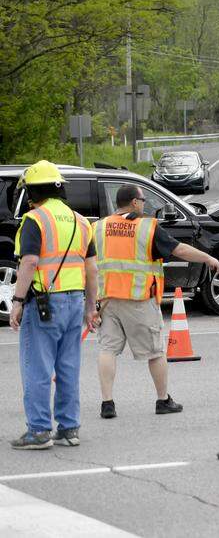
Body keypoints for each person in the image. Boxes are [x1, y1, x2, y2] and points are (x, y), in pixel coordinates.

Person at [91, 184, 219, 420]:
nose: (143, 204)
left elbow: (88, 263)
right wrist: (208, 258)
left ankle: (107, 403)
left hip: (107, 300)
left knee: (107, 350)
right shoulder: (147, 227)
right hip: (138, 299)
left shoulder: (98, 227)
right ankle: (163, 400)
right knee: (155, 352)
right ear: (134, 202)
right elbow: (179, 250)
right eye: (142, 200)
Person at [9, 161, 99, 450]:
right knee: (68, 367)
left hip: (45, 303)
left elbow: (30, 261)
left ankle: (38, 431)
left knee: (37, 368)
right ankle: (69, 429)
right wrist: (90, 307)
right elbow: (92, 269)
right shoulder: (81, 221)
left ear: (33, 192)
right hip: (74, 301)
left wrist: (17, 301)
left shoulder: (35, 220)